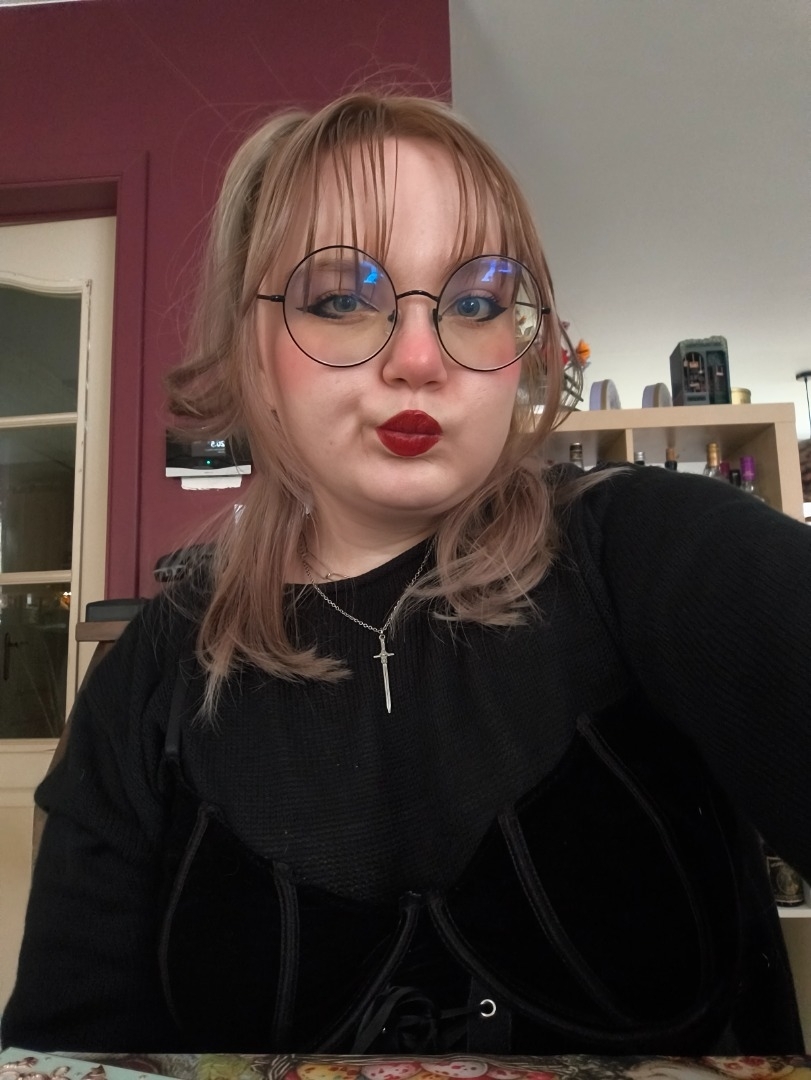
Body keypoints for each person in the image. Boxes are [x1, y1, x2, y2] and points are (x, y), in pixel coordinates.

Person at [2, 92, 810, 1056]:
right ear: (256, 351)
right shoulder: (147, 684)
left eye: (474, 302)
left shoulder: (646, 547)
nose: (420, 358)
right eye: (342, 300)